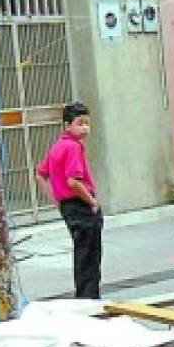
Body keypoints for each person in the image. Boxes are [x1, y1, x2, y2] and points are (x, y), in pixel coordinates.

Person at [36, 101, 102, 299]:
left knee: (82, 255)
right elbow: (73, 181)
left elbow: (40, 175)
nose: (85, 128)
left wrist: (57, 201)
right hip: (80, 206)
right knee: (89, 257)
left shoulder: (58, 147)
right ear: (67, 125)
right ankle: (88, 300)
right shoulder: (73, 147)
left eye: (87, 123)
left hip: (68, 206)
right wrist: (91, 201)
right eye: (80, 123)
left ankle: (84, 297)